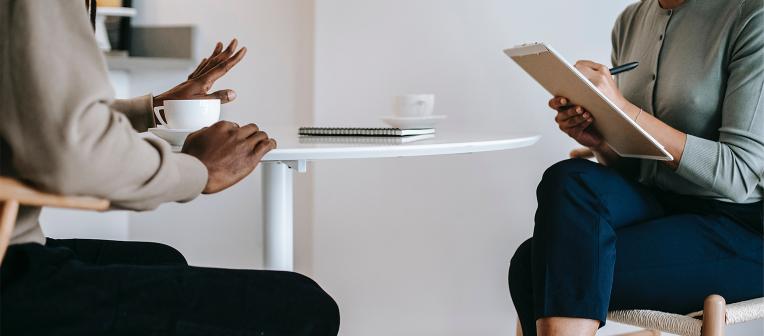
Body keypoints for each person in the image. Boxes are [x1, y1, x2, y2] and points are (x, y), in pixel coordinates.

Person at [0, 1, 339, 335]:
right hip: (10, 270)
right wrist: (196, 170)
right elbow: (70, 157)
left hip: (17, 237)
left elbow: (41, 119)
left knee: (163, 258)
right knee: (305, 307)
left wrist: (155, 109)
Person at [508, 0, 764, 335]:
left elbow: (740, 175)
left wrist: (624, 109)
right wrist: (600, 140)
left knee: (533, 267)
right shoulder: (630, 21)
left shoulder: (751, 15)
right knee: (567, 179)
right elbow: (639, 170)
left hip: (740, 227)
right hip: (661, 204)